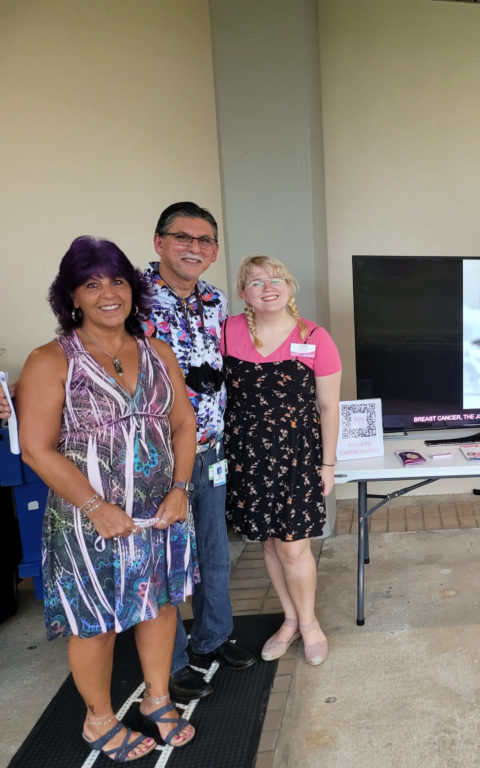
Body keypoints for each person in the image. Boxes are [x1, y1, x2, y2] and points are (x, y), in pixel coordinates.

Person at [17, 236, 199, 761]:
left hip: (160, 513)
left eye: (117, 280)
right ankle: (98, 720)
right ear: (72, 296)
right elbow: (36, 448)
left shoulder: (158, 352)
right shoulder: (51, 360)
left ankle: (157, 699)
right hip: (86, 522)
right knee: (94, 622)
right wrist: (97, 507)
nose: (107, 293)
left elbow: (184, 424)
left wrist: (181, 489)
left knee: (160, 607)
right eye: (91, 284)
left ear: (132, 289)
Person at [145, 202, 257, 703]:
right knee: (167, 562)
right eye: (183, 237)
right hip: (156, 458)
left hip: (211, 450)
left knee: (214, 553)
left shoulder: (214, 301)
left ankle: (213, 638)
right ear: (159, 242)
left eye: (205, 240)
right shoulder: (130, 299)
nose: (194, 247)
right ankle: (167, 661)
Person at [222, 255, 340, 666]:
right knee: (269, 544)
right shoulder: (227, 332)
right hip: (247, 457)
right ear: (242, 293)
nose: (267, 287)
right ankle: (288, 619)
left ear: (290, 287)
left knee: (294, 547)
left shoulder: (315, 336)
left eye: (276, 279)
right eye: (256, 282)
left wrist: (327, 466)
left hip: (298, 459)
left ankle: (309, 624)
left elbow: (328, 408)